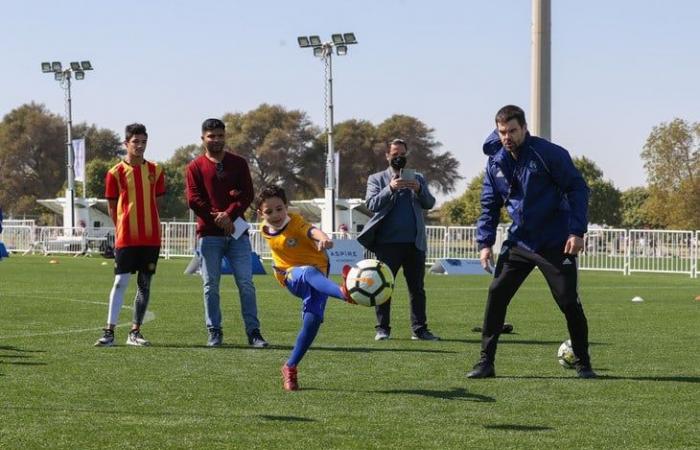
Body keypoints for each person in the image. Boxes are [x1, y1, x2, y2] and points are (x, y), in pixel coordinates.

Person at [466, 105, 597, 379]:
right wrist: (485, 243)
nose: (507, 136)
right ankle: (485, 363)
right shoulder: (495, 163)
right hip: (520, 243)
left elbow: (577, 188)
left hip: (555, 242)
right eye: (502, 132)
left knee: (568, 301)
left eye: (512, 130)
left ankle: (584, 364)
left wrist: (577, 232)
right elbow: (489, 205)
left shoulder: (548, 153)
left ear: (524, 128)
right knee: (497, 293)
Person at [256, 185, 356, 391]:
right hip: (290, 275)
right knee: (308, 272)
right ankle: (345, 293)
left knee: (312, 322)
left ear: (286, 207)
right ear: (260, 213)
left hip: (320, 276)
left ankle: (290, 367)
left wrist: (324, 239)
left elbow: (311, 230)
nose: (275, 214)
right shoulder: (264, 229)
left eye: (279, 208)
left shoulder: (295, 222)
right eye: (269, 211)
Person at [186, 118, 268, 348]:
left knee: (246, 283)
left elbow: (247, 195)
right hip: (209, 236)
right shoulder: (194, 167)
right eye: (212, 136)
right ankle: (214, 332)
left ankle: (254, 333)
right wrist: (217, 217)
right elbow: (194, 200)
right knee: (210, 285)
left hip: (237, 234)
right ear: (203, 138)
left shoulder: (239, 163)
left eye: (220, 135)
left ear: (225, 136)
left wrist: (230, 215)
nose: (216, 140)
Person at [357, 138, 439, 341]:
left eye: (402, 154)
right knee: (382, 288)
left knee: (417, 289)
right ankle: (382, 329)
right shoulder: (376, 179)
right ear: (387, 156)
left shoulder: (418, 177)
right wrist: (391, 188)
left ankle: (419, 330)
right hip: (386, 244)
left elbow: (429, 203)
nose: (398, 158)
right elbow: (372, 204)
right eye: (394, 154)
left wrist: (419, 189)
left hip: (414, 244)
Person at [95, 123, 165, 347]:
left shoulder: (157, 170)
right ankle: (109, 332)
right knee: (120, 282)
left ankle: (135, 332)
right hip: (126, 237)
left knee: (145, 284)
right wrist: (120, 227)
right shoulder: (115, 172)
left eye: (144, 141)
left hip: (151, 237)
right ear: (126, 143)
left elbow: (158, 203)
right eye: (136, 141)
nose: (140, 145)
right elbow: (112, 205)